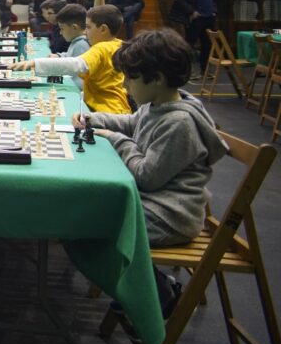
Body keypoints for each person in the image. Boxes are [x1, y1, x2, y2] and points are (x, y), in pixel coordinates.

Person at [79, 28, 228, 316]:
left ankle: (156, 295)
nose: (124, 84)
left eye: (130, 77)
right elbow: (132, 123)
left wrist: (116, 139)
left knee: (85, 226)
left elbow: (145, 177)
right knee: (85, 218)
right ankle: (148, 288)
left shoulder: (179, 123)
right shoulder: (157, 104)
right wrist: (94, 119)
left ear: (157, 78)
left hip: (171, 216)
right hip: (155, 205)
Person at [12, 0, 131, 113]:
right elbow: (99, 14)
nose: (85, 31)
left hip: (108, 112)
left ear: (103, 29)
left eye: (88, 27)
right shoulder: (116, 44)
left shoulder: (101, 48)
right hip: (116, 109)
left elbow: (77, 65)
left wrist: (35, 63)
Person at [168, 0, 216, 77]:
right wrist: (191, 11)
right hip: (196, 18)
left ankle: (204, 70)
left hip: (209, 17)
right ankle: (186, 70)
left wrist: (214, 10)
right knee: (189, 45)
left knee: (207, 45)